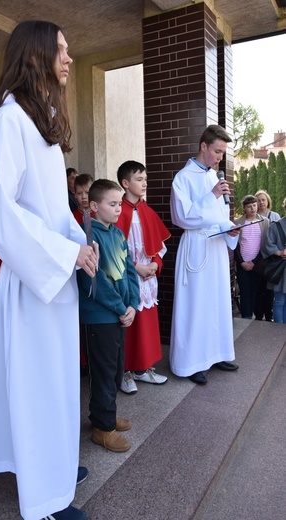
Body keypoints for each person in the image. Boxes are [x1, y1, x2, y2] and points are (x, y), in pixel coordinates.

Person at [0, 20, 97, 520]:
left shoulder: (38, 122)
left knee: (55, 380)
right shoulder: (9, 120)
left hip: (53, 278)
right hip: (31, 284)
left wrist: (81, 245)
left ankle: (53, 464)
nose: (68, 58)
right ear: (36, 56)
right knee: (39, 384)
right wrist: (62, 253)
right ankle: (44, 498)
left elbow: (49, 209)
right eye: (60, 50)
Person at [170, 124, 240, 385]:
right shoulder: (183, 178)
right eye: (218, 151)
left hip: (216, 248)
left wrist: (230, 229)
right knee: (196, 306)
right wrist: (211, 196)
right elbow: (182, 217)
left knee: (217, 303)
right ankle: (191, 362)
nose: (220, 157)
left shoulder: (213, 176)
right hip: (197, 248)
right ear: (203, 146)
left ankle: (216, 354)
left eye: (222, 153)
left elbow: (218, 214)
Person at [77, 179, 140, 452]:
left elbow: (129, 271)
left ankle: (104, 415)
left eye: (119, 204)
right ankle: (103, 429)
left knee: (115, 369)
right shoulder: (87, 234)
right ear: (94, 206)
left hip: (118, 314)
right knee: (102, 373)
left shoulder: (116, 233)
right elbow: (94, 280)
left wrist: (133, 304)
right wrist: (119, 306)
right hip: (100, 316)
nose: (118, 209)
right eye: (112, 204)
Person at [116, 160, 170, 394]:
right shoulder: (118, 210)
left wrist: (155, 264)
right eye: (140, 179)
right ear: (125, 183)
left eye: (145, 179)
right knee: (128, 325)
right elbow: (114, 249)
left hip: (148, 278)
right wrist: (137, 267)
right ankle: (124, 372)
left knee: (146, 325)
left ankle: (142, 368)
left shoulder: (147, 211)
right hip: (128, 276)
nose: (144, 183)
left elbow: (159, 247)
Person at [234, 195, 269, 319]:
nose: (253, 208)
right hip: (242, 263)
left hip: (257, 263)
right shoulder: (238, 223)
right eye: (249, 206)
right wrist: (242, 262)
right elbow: (235, 245)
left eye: (254, 205)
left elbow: (265, 244)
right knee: (244, 292)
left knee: (254, 292)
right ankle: (246, 317)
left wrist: (255, 262)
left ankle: (254, 317)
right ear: (244, 208)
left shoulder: (264, 221)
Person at [254, 190, 280, 321]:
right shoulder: (252, 216)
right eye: (258, 200)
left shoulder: (275, 216)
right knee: (258, 288)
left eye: (263, 199)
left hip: (272, 259)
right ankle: (258, 316)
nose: (261, 202)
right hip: (257, 260)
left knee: (269, 290)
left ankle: (269, 316)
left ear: (267, 201)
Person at [261, 197, 286, 323]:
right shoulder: (276, 225)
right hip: (280, 270)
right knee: (279, 300)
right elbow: (267, 244)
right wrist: (279, 252)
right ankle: (278, 331)